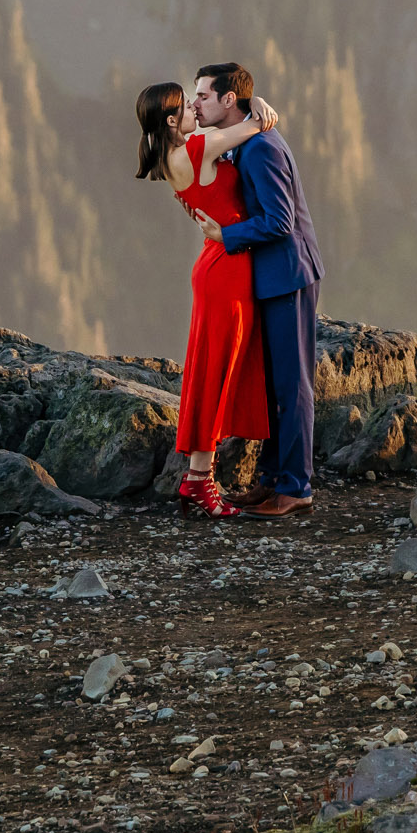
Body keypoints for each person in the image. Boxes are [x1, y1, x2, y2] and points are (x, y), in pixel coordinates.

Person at [134, 80, 279, 517]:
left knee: (210, 370)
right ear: (172, 120)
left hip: (218, 264)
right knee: (216, 372)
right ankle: (200, 482)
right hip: (226, 272)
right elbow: (255, 125)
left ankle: (199, 480)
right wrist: (258, 106)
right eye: (186, 105)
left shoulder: (179, 154)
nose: (196, 108)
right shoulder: (197, 150)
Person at [187, 62, 324, 517]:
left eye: (204, 96)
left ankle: (295, 488)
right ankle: (271, 480)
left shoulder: (261, 147)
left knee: (292, 383)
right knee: (269, 384)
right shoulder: (245, 138)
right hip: (265, 279)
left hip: (288, 275)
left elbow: (279, 222)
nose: (197, 104)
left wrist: (225, 237)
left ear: (230, 99)